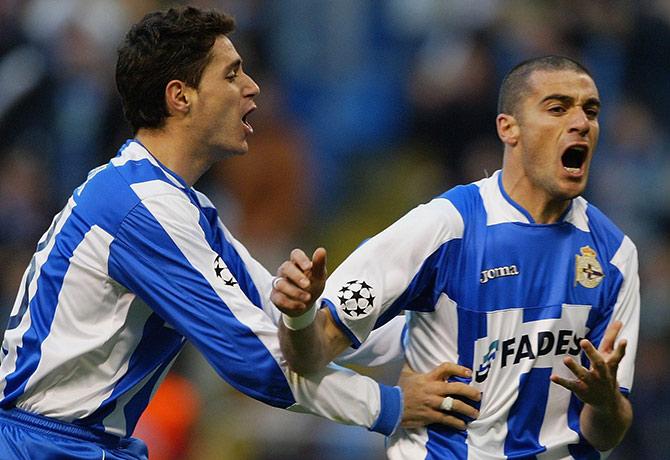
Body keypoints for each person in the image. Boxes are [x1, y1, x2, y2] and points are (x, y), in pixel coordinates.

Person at [0, 6, 480, 460]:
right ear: (179, 96)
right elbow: (260, 363)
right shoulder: (143, 207)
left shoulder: (172, 202)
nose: (252, 87)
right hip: (47, 446)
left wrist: (445, 338)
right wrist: (391, 406)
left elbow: (280, 313)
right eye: (231, 74)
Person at [274, 56, 639, 459]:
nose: (581, 123)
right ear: (509, 128)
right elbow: (308, 355)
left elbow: (606, 433)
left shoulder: (615, 256)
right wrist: (300, 314)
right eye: (557, 108)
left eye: (591, 111)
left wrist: (605, 401)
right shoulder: (446, 227)